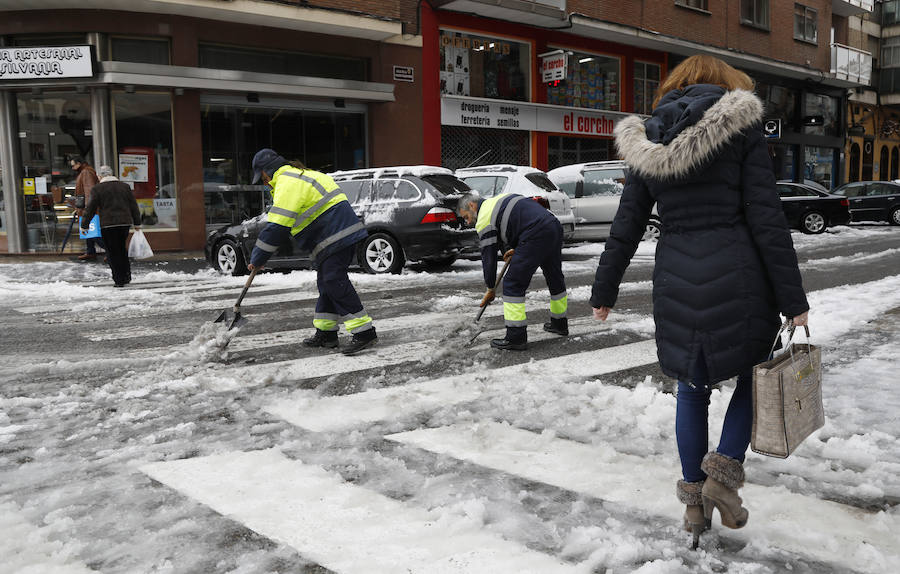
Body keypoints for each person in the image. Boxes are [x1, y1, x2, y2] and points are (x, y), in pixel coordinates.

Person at [589, 55, 810, 546]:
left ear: (674, 87)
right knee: (755, 376)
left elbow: (626, 225)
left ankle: (694, 508)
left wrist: (604, 290)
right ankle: (723, 475)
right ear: (725, 85)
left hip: (676, 278)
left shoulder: (647, 140)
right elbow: (766, 219)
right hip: (740, 276)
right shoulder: (742, 128)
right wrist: (793, 298)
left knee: (691, 387)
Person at [246, 149, 377, 356]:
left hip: (336, 234)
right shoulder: (297, 176)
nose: (263, 182)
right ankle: (327, 333)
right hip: (329, 236)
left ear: (267, 171)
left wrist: (258, 258)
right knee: (326, 282)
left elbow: (277, 227)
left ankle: (364, 332)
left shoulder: (287, 183)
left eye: (261, 177)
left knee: (333, 280)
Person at [457, 190, 568, 351]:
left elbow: (488, 258)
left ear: (472, 206)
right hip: (553, 226)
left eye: (466, 217)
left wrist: (490, 288)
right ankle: (560, 324)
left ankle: (516, 337)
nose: (467, 222)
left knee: (512, 283)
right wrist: (511, 248)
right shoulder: (498, 200)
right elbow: (514, 222)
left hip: (534, 233)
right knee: (554, 276)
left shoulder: (484, 218)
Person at [80, 165, 141, 287]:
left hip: (108, 224)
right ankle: (126, 276)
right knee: (121, 249)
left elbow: (90, 208)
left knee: (112, 252)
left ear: (99, 176)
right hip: (124, 223)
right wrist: (137, 223)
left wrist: (84, 225)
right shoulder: (125, 187)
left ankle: (119, 280)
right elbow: (133, 206)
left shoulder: (97, 189)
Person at [70, 156, 104, 261]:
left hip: (88, 208)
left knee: (92, 232)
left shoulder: (86, 172)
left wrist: (89, 208)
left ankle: (110, 250)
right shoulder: (86, 171)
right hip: (86, 207)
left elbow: (89, 191)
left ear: (79, 163)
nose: (72, 168)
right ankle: (90, 251)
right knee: (89, 231)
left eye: (73, 165)